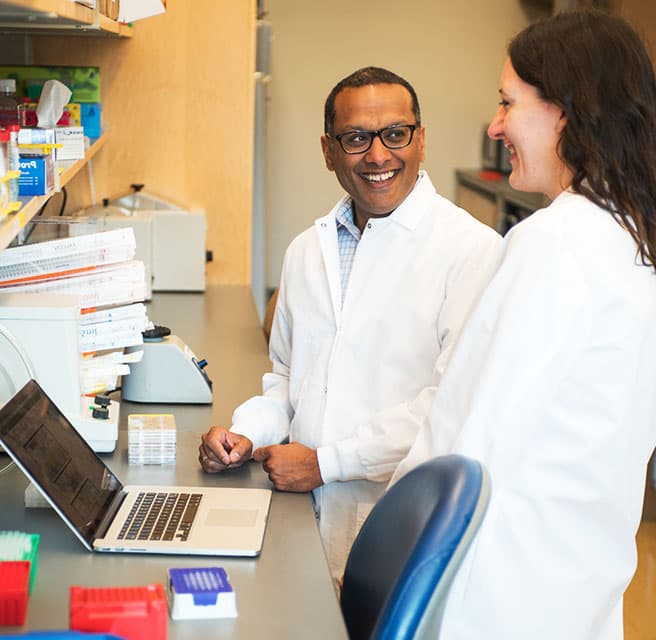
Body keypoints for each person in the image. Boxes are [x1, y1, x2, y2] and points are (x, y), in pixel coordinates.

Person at [390, 11, 656, 639]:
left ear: (566, 111)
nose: (496, 125)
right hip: (581, 586)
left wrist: (379, 556)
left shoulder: (555, 243)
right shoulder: (635, 241)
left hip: (497, 594)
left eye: (509, 104)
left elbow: (463, 439)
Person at [198, 66, 502, 582]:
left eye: (396, 134)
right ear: (329, 151)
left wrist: (324, 463)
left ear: (421, 140)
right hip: (302, 518)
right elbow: (288, 382)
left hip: (402, 530)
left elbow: (446, 412)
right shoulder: (305, 252)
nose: (379, 155)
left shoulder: (472, 252)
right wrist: (245, 434)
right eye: (357, 138)